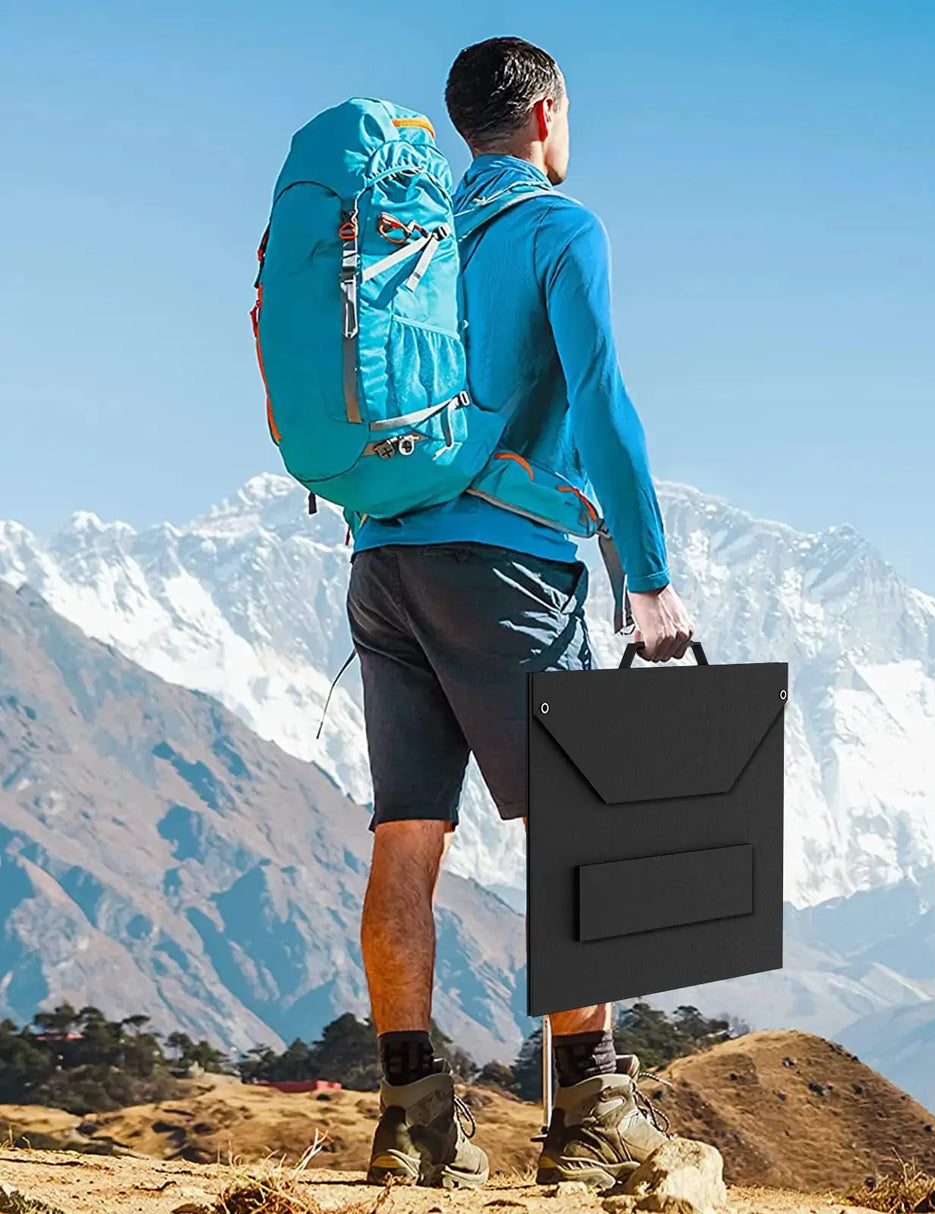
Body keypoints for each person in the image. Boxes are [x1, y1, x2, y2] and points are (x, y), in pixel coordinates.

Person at [348, 36, 697, 1191]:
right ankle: (591, 1111)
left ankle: (413, 1125)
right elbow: (598, 397)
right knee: (577, 831)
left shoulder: (410, 238)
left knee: (407, 832)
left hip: (382, 561)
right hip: (504, 569)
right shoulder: (559, 227)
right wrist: (646, 580)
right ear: (545, 117)